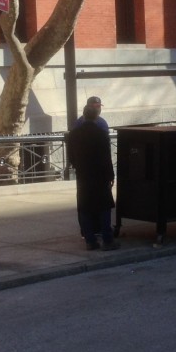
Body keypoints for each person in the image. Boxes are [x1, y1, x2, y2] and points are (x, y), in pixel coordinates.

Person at [67, 105, 118, 251]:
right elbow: (106, 157)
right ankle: (107, 240)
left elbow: (71, 156)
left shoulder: (74, 134)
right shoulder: (101, 134)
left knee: (85, 207)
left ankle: (90, 240)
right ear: (96, 116)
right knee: (104, 207)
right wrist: (111, 175)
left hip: (83, 175)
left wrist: (78, 166)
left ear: (84, 115)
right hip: (100, 175)